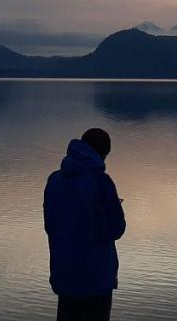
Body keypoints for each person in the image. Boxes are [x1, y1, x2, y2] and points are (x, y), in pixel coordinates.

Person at [44, 127, 126, 321]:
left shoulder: (54, 180)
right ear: (104, 153)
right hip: (95, 278)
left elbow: (51, 224)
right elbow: (115, 229)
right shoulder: (101, 182)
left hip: (64, 274)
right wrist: (116, 208)